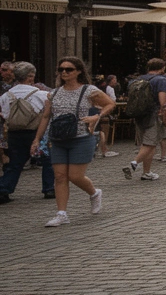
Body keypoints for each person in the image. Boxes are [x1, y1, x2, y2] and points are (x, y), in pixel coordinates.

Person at [28, 57, 113, 227]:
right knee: (59, 176)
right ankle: (61, 214)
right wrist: (37, 139)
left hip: (81, 138)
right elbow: (46, 116)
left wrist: (97, 116)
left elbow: (110, 104)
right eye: (61, 69)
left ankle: (94, 193)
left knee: (75, 176)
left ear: (79, 71)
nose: (64, 72)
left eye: (69, 69)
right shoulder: (54, 93)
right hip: (58, 138)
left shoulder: (89, 90)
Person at [0, 62, 55, 203]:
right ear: (30, 77)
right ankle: (48, 188)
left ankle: (4, 189)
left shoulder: (6, 96)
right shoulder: (41, 94)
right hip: (35, 132)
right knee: (48, 160)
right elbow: (48, 113)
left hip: (14, 133)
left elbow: (5, 114)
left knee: (15, 163)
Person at [123, 58, 166, 182]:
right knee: (150, 143)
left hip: (139, 114)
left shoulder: (136, 80)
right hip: (153, 114)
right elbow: (163, 101)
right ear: (162, 68)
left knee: (147, 143)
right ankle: (134, 164)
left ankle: (147, 172)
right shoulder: (161, 80)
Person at [97, 74, 119, 159]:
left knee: (98, 129)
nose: (116, 81)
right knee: (104, 129)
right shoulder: (109, 89)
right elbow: (113, 100)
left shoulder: (98, 86)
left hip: (96, 110)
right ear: (111, 80)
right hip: (104, 110)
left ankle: (101, 148)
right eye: (115, 80)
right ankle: (104, 149)